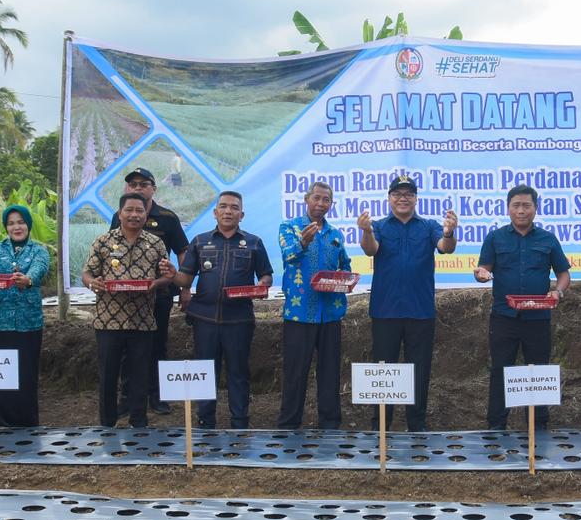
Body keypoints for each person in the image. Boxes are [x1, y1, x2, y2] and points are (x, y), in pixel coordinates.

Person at [358, 175, 458, 432]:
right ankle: (381, 425)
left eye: (408, 194)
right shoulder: (379, 226)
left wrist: (449, 233)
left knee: (419, 370)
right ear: (389, 198)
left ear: (415, 199)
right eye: (397, 194)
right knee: (384, 371)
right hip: (385, 310)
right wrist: (366, 231)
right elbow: (370, 250)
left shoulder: (428, 226)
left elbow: (445, 247)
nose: (403, 198)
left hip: (420, 311)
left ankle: (417, 424)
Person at [474, 184, 572, 431]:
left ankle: (538, 426)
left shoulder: (548, 239)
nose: (521, 210)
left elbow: (563, 274)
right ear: (508, 208)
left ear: (535, 209)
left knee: (538, 371)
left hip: (538, 317)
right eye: (516, 205)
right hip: (504, 316)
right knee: (500, 370)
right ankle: (496, 426)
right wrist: (481, 274)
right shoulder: (495, 238)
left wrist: (558, 291)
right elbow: (484, 269)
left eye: (526, 205)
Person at [173, 190, 273, 429]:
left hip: (239, 320)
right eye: (224, 206)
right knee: (205, 372)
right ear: (215, 212)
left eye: (234, 207)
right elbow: (185, 279)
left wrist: (262, 284)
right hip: (204, 319)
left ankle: (240, 422)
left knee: (238, 373)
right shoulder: (199, 241)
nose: (228, 211)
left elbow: (266, 275)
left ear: (242, 215)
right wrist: (171, 275)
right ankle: (205, 421)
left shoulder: (254, 242)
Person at [84, 193, 177, 429]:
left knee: (140, 374)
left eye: (139, 210)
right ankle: (107, 423)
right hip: (108, 321)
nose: (134, 215)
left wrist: (158, 282)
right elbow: (87, 273)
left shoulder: (155, 244)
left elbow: (167, 276)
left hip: (143, 320)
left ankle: (139, 422)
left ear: (146, 215)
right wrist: (92, 283)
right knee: (108, 375)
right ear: (120, 214)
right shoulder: (103, 241)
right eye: (129, 210)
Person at [109, 167, 189, 415]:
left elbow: (183, 252)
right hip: (126, 296)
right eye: (133, 184)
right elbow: (111, 251)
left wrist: (185, 288)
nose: (138, 188)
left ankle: (158, 396)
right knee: (126, 347)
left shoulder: (167, 218)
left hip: (159, 295)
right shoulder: (118, 216)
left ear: (154, 188)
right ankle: (128, 399)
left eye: (143, 184)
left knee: (157, 345)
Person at [278, 181, 352, 429]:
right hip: (299, 313)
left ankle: (330, 423)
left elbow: (345, 265)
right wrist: (303, 243)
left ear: (331, 204)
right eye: (316, 198)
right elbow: (288, 255)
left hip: (330, 313)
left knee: (330, 371)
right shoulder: (289, 227)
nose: (321, 203)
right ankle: (289, 424)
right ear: (306, 199)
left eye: (326, 200)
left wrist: (344, 278)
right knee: (295, 372)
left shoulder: (335, 235)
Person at [0, 205, 50, 427]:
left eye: (21, 222)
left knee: (25, 372)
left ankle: (25, 422)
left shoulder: (39, 251)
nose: (17, 227)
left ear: (28, 225)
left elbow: (39, 269)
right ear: (6, 227)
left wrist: (28, 279)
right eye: (11, 223)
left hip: (27, 322)